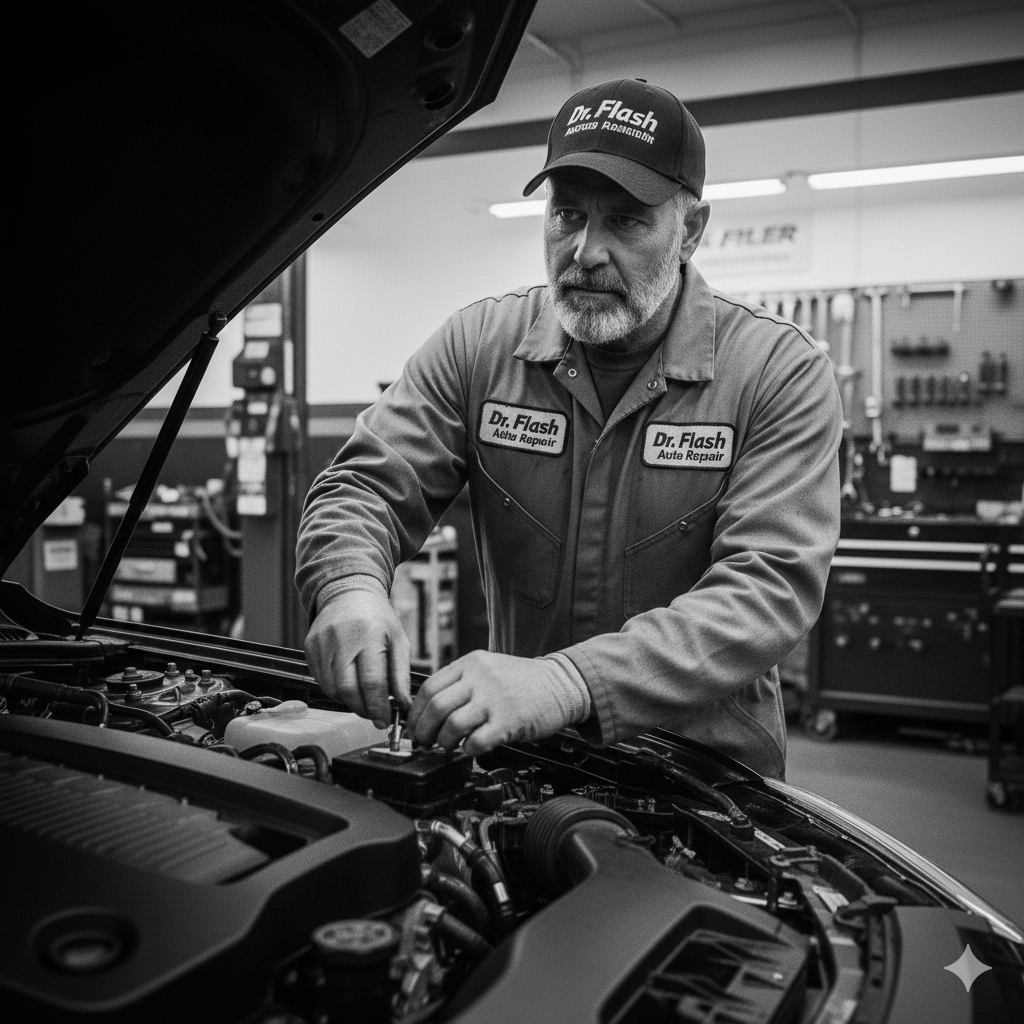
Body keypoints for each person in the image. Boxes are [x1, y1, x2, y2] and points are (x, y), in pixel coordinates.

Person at [296, 79, 842, 779]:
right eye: (566, 215)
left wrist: (570, 682)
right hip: (520, 758)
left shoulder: (776, 371)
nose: (584, 250)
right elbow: (364, 487)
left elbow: (768, 588)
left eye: (626, 221)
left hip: (704, 780)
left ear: (692, 231)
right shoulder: (479, 346)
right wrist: (348, 588)